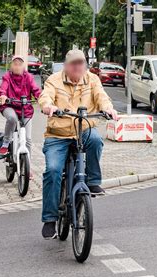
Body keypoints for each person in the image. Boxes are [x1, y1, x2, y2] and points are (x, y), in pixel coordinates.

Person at [39, 49, 118, 239]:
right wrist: (48, 106)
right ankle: (50, 219)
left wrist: (108, 109)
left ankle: (92, 181)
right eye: (73, 63)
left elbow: (101, 97)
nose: (77, 67)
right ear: (66, 66)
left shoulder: (92, 79)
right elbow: (45, 96)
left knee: (96, 141)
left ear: (85, 65)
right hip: (58, 135)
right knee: (53, 171)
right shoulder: (54, 80)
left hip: (83, 130)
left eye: (81, 63)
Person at [0, 55, 41, 159]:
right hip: (9, 106)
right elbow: (3, 88)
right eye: (15, 64)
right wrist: (2, 95)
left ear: (23, 66)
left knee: (28, 139)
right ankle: (6, 142)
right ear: (11, 66)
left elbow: (35, 89)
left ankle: (28, 166)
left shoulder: (29, 77)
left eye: (20, 64)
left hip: (25, 109)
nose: (17, 66)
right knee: (12, 118)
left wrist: (40, 98)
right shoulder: (7, 76)